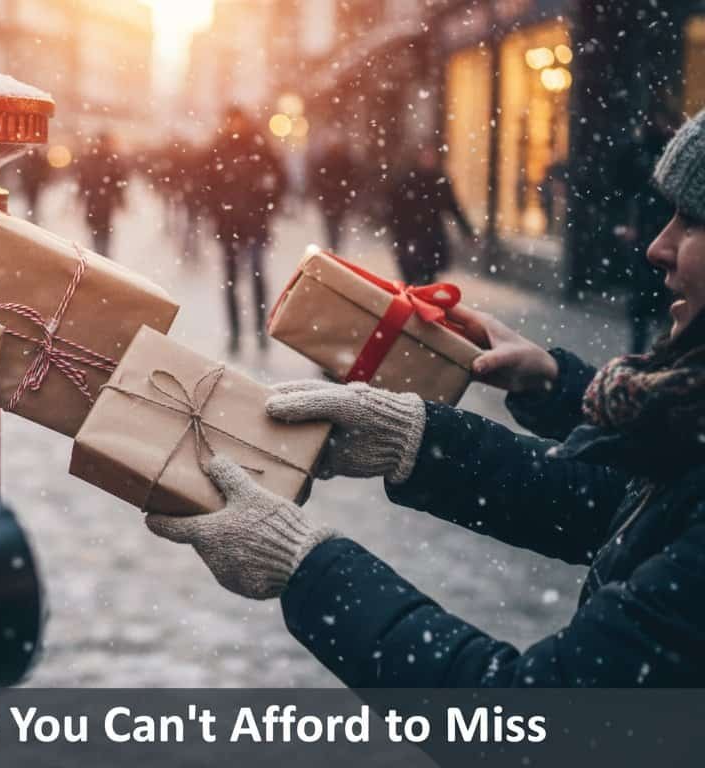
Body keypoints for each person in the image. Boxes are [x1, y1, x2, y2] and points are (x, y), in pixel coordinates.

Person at [145, 108, 705, 686]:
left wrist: (304, 565)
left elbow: (533, 723)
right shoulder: (682, 413)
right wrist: (416, 438)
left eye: (691, 220)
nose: (657, 246)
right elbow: (620, 511)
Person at [203, 105, 288, 354]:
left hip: (255, 224)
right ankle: (236, 333)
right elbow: (206, 184)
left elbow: (280, 178)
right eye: (230, 121)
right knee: (231, 281)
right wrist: (216, 210)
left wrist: (268, 203)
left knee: (257, 276)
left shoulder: (258, 147)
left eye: (236, 121)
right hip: (230, 226)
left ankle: (261, 330)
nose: (234, 126)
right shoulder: (219, 148)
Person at [615, 104, 677, 353]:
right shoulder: (641, 152)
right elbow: (625, 188)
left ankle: (654, 347)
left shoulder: (659, 153)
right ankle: (643, 347)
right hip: (645, 232)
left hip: (653, 230)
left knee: (658, 294)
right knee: (644, 296)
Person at [388, 146, 475, 285]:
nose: (428, 160)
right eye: (425, 156)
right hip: (410, 236)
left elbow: (453, 206)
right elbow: (394, 209)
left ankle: (422, 301)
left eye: (431, 156)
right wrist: (397, 234)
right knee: (411, 279)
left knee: (428, 278)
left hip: (431, 238)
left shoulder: (440, 181)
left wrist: (467, 231)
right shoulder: (406, 180)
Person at [75, 132, 127, 258]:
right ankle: (101, 256)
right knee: (99, 232)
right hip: (97, 201)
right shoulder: (107, 159)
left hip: (101, 202)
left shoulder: (94, 158)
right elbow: (83, 180)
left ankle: (101, 256)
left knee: (101, 232)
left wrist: (121, 199)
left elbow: (118, 182)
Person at [307, 133, 356, 253]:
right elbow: (354, 178)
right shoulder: (345, 160)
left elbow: (317, 179)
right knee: (337, 225)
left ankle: (333, 246)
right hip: (339, 199)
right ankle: (335, 246)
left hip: (330, 200)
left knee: (331, 226)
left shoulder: (326, 161)